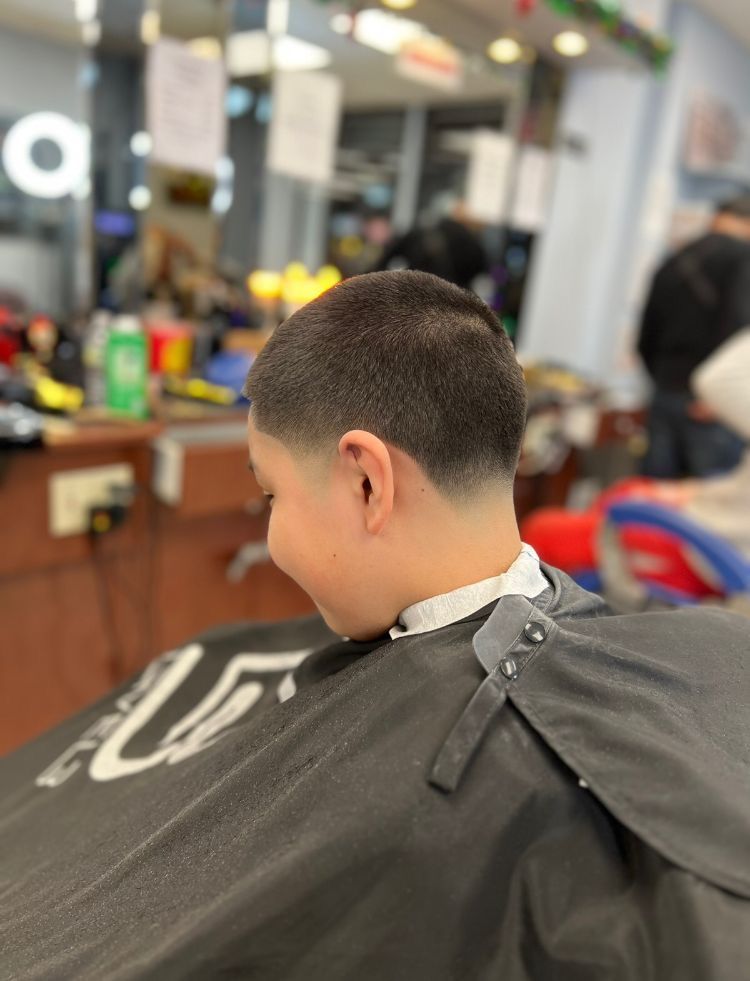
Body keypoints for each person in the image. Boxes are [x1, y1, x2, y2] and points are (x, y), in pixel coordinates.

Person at [1, 271, 749, 979]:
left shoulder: (441, 812)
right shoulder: (716, 649)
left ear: (367, 481)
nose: (271, 538)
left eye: (271, 498)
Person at [637, 194, 750, 478]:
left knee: (654, 506)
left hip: (664, 392)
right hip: (711, 406)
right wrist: (716, 395)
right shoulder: (743, 259)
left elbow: (645, 337)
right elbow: (738, 328)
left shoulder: (675, 258)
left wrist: (665, 381)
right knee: (708, 510)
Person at [376, 198, 488, 290]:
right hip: (451, 300)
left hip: (414, 292)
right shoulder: (473, 244)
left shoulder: (425, 230)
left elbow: (388, 257)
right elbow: (479, 273)